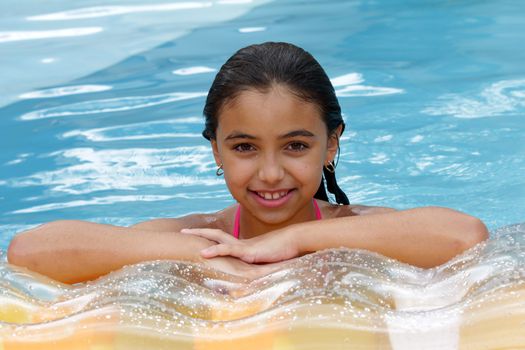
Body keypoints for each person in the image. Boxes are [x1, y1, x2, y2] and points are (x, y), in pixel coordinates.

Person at [7, 42, 489, 284]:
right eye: (244, 148)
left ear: (332, 145)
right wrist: (230, 261)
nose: (271, 173)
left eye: (296, 146)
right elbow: (33, 249)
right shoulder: (199, 234)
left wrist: (291, 240)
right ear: (215, 150)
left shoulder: (359, 226)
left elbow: (463, 236)